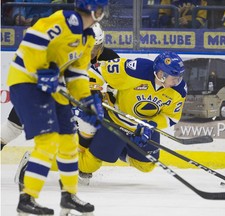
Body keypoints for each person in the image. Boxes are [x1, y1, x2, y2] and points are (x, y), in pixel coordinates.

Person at [7, 0, 108, 215]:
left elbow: (77, 73)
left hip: (55, 84)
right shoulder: (64, 20)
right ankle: (27, 199)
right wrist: (43, 69)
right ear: (94, 10)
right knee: (48, 141)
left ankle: (69, 197)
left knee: (69, 141)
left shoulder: (88, 37)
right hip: (26, 81)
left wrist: (87, 100)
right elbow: (32, 39)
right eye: (101, 9)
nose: (102, 12)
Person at [0, 22, 119, 151]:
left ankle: (81, 164)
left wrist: (107, 97)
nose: (91, 52)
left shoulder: (109, 58)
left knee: (86, 131)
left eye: (95, 47)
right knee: (13, 126)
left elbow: (116, 87)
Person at [75, 51, 187, 184]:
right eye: (174, 78)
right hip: (116, 121)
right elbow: (97, 71)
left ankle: (119, 151)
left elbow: (171, 117)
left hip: (142, 128)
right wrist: (93, 91)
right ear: (162, 75)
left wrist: (151, 124)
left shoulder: (179, 90)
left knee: (147, 165)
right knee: (87, 166)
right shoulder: (135, 70)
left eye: (178, 78)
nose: (177, 81)